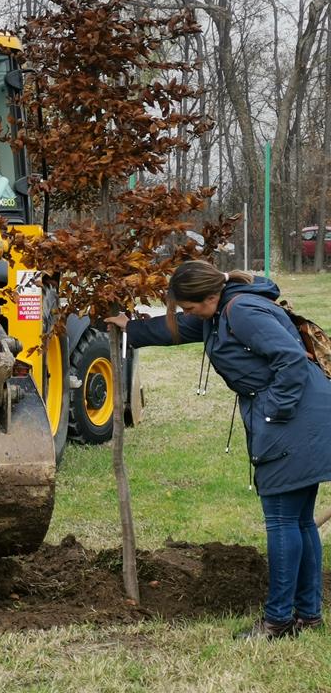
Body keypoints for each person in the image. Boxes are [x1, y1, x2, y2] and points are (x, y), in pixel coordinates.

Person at [105, 260, 331, 640]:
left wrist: (272, 412)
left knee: (281, 519)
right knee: (300, 519)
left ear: (210, 297)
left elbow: (290, 358)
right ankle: (308, 617)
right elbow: (179, 329)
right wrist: (134, 328)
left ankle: (278, 622)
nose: (189, 314)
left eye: (190, 307)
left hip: (295, 416)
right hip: (305, 411)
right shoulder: (220, 310)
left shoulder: (240, 310)